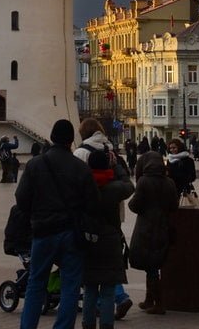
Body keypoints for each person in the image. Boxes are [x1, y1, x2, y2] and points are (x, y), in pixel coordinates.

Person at [15, 118, 99, 329]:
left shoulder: (35, 165)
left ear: (52, 138)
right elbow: (93, 203)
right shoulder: (80, 168)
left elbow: (21, 199)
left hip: (43, 232)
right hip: (71, 233)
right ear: (71, 140)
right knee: (70, 286)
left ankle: (28, 326)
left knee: (36, 283)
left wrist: (35, 214)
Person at [74, 117, 133, 320]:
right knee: (108, 272)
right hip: (112, 220)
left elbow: (73, 185)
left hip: (88, 225)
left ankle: (91, 318)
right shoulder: (112, 152)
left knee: (90, 282)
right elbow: (128, 185)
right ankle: (117, 299)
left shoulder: (80, 153)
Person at [82, 149, 134, 329]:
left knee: (89, 288)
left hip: (88, 240)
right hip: (110, 240)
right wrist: (117, 166)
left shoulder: (83, 187)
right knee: (108, 289)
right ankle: (106, 324)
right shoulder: (114, 188)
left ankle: (88, 324)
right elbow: (130, 185)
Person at [128, 150, 178, 316]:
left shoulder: (144, 181)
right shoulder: (169, 182)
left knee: (150, 266)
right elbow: (174, 205)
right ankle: (149, 299)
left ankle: (159, 303)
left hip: (146, 228)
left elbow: (134, 206)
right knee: (154, 263)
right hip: (163, 226)